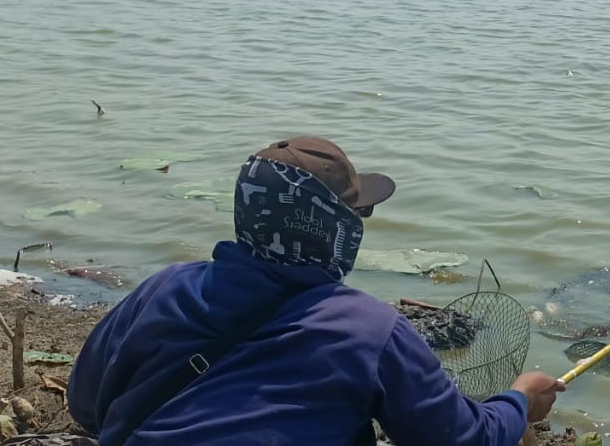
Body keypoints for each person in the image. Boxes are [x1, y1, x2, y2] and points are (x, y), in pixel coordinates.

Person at [66, 137, 565, 446]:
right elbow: (461, 439)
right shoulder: (369, 331)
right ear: (333, 228)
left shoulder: (163, 286)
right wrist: (519, 401)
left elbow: (86, 406)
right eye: (357, 214)